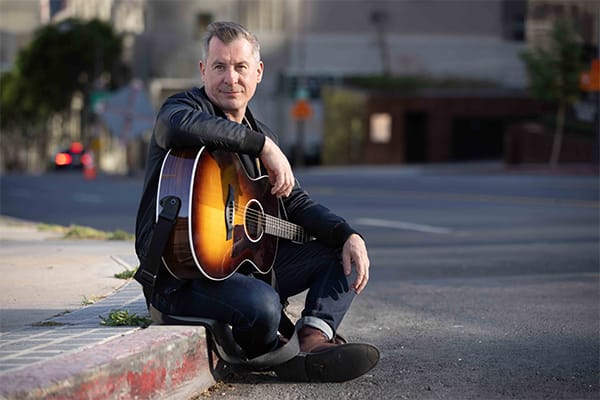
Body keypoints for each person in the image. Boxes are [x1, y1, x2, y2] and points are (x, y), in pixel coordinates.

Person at [135, 21, 378, 382]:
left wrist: (347, 234)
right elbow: (173, 127)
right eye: (219, 67)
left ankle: (312, 337)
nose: (230, 78)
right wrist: (263, 146)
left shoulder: (262, 131)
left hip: (239, 267)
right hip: (180, 279)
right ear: (203, 70)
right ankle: (278, 356)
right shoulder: (182, 108)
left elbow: (295, 201)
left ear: (258, 72)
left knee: (341, 255)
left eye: (240, 67)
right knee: (262, 306)